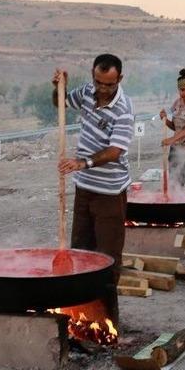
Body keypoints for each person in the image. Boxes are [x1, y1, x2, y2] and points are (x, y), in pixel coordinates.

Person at [53, 53, 133, 292]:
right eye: (99, 82)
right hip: (84, 188)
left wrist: (82, 163)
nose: (103, 89)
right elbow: (61, 104)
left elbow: (114, 151)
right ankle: (81, 303)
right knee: (81, 247)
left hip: (109, 191)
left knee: (107, 254)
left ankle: (105, 307)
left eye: (110, 84)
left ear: (120, 78)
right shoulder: (87, 92)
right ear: (92, 75)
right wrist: (59, 88)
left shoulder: (124, 109)